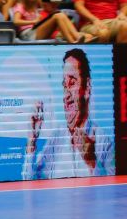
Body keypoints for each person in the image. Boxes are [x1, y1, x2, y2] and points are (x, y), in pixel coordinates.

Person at [23, 49, 113, 179]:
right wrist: (31, 141)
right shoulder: (56, 141)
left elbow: (113, 192)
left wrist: (92, 161)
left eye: (72, 83)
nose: (66, 95)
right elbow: (30, 185)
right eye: (64, 86)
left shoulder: (104, 143)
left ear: (87, 87)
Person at [10, 0, 88, 43]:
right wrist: (33, 21)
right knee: (57, 16)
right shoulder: (20, 6)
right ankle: (72, 42)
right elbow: (16, 21)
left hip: (36, 29)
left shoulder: (34, 6)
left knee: (60, 15)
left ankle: (77, 37)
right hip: (27, 34)